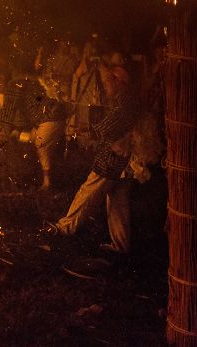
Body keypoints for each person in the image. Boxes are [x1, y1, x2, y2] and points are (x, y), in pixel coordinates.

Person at [46, 60, 143, 253]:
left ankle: (65, 228)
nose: (105, 86)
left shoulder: (126, 100)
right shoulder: (124, 97)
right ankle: (121, 246)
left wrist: (90, 132)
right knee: (117, 200)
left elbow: (112, 126)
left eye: (107, 81)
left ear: (117, 80)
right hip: (125, 159)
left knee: (89, 191)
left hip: (115, 158)